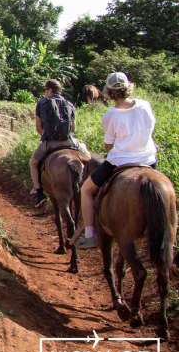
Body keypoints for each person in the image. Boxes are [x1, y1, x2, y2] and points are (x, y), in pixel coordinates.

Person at [71, 72, 158, 249]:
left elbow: (109, 145)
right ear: (128, 88)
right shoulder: (145, 105)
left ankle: (90, 235)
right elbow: (150, 130)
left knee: (86, 190)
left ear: (109, 92)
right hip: (148, 160)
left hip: (120, 162)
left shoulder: (111, 114)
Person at [29, 79, 91, 206]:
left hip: (50, 142)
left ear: (50, 90)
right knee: (89, 157)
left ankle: (38, 191)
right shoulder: (69, 104)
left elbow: (38, 128)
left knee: (33, 163)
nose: (45, 93)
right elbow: (73, 128)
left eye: (46, 90)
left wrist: (47, 136)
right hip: (69, 140)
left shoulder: (41, 103)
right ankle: (89, 185)